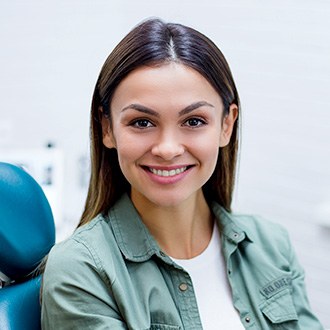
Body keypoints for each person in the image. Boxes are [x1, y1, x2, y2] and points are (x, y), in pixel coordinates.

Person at [41, 18, 324, 329]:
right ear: (107, 128)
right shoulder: (80, 271)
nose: (167, 148)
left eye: (193, 121)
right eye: (142, 122)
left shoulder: (271, 244)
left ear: (226, 125)